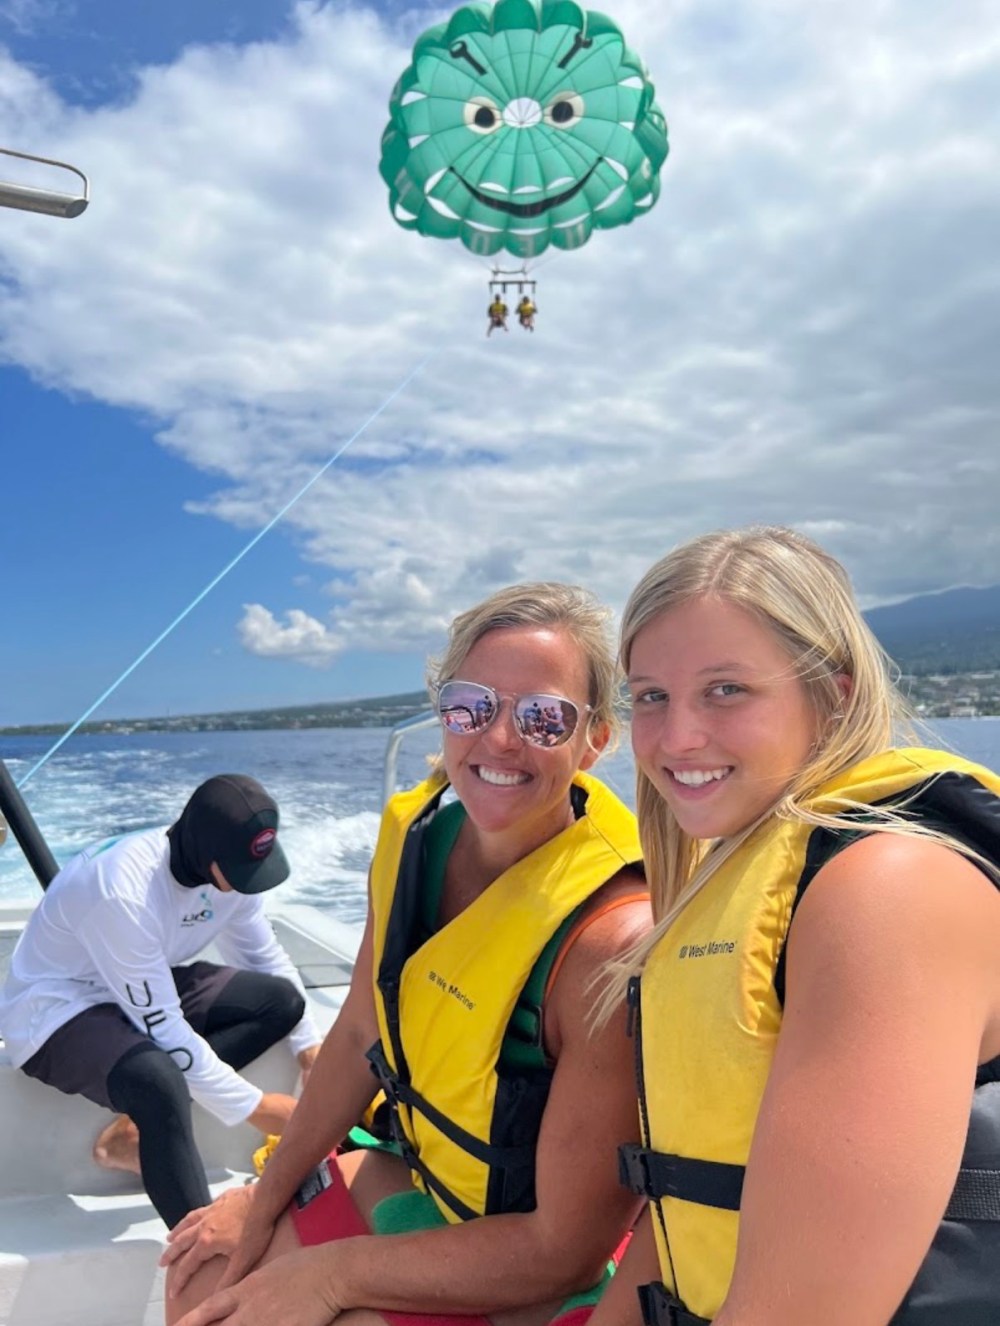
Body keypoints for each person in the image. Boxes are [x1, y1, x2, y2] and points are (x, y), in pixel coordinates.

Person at [161, 582, 651, 1326]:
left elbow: (566, 1251)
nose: (499, 739)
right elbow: (360, 1030)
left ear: (595, 740)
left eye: (543, 717)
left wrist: (333, 1277)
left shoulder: (610, 939)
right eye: (470, 706)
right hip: (420, 1172)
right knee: (202, 1280)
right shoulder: (414, 836)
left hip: (526, 1253)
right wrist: (264, 1201)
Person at [589, 525, 1000, 1326]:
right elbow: (683, 1201)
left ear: (835, 692)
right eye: (650, 696)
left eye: (725, 689)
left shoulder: (887, 892)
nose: (676, 738)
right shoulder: (739, 875)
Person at [0, 773, 322, 1229]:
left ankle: (130, 1136)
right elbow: (164, 1029)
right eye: (240, 872)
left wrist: (309, 1048)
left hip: (138, 984)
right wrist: (259, 1108)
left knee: (281, 1003)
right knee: (158, 1081)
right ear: (204, 853)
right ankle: (201, 1252)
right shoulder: (122, 890)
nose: (250, 884)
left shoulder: (231, 872)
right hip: (53, 1009)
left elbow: (260, 954)